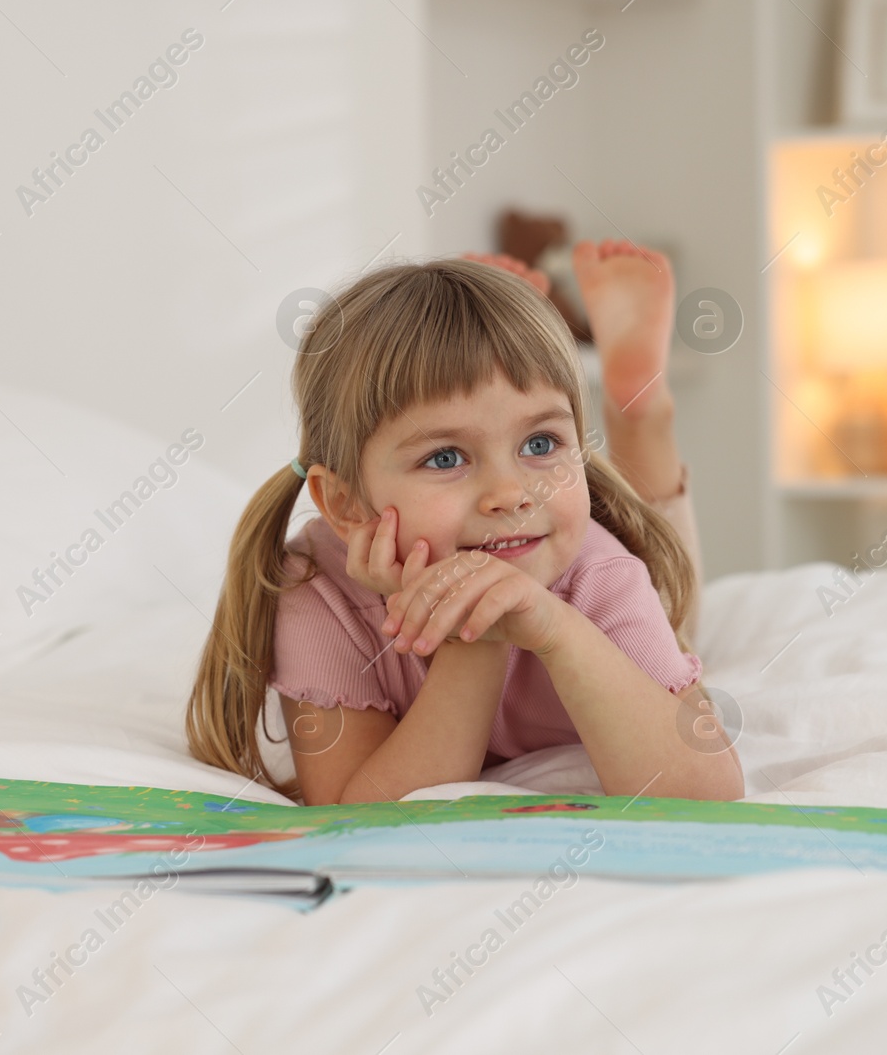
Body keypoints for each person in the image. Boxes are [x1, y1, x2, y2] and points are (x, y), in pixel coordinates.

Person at [185, 240, 739, 805]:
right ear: (348, 505)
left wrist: (555, 628)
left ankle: (641, 412)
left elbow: (706, 792)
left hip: (606, 561)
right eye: (445, 457)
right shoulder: (318, 592)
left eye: (541, 441)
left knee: (678, 604)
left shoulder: (598, 571)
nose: (509, 494)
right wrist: (472, 640)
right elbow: (360, 816)